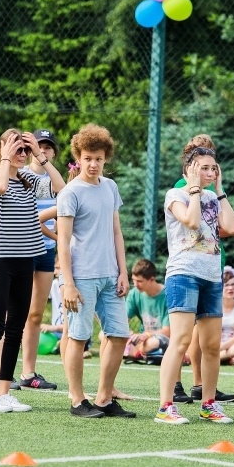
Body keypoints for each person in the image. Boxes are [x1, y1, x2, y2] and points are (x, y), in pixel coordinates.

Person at [0, 129, 63, 412]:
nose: (22, 155)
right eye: (17, 149)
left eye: (24, 151)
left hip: (26, 260)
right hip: (0, 262)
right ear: (2, 150)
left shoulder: (30, 179)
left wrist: (39, 154)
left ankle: (4, 391)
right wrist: (7, 158)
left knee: (15, 329)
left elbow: (61, 188)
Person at [155, 143, 234, 425]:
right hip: (183, 274)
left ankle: (209, 404)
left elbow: (232, 227)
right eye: (203, 167)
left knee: (212, 346)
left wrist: (220, 189)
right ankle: (166, 406)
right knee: (180, 341)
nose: (210, 172)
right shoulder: (175, 195)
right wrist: (193, 189)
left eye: (213, 168)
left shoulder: (214, 197)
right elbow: (191, 221)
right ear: (188, 169)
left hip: (211, 276)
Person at [57, 123, 136, 418]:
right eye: (88, 158)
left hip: (110, 276)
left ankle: (104, 398)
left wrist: (123, 272)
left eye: (99, 159)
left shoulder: (110, 188)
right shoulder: (70, 192)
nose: (93, 164)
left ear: (106, 159)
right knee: (78, 337)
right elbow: (62, 242)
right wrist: (68, 283)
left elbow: (117, 233)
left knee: (119, 334)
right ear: (78, 156)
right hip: (81, 277)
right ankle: (78, 400)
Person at [19, 128, 65, 391]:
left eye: (47, 147)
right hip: (21, 249)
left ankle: (28, 373)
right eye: (39, 146)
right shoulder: (19, 174)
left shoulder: (54, 180)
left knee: (35, 313)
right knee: (13, 312)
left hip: (46, 252)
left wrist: (59, 243)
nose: (43, 150)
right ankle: (4, 373)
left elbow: (63, 215)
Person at [124, 258, 170, 361]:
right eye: (134, 280)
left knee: (153, 342)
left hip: (160, 338)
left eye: (139, 281)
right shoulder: (134, 294)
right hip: (142, 340)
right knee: (105, 335)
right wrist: (129, 333)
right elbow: (122, 320)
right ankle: (141, 353)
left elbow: (168, 331)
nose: (135, 285)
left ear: (152, 279)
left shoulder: (167, 295)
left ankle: (135, 352)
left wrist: (147, 335)